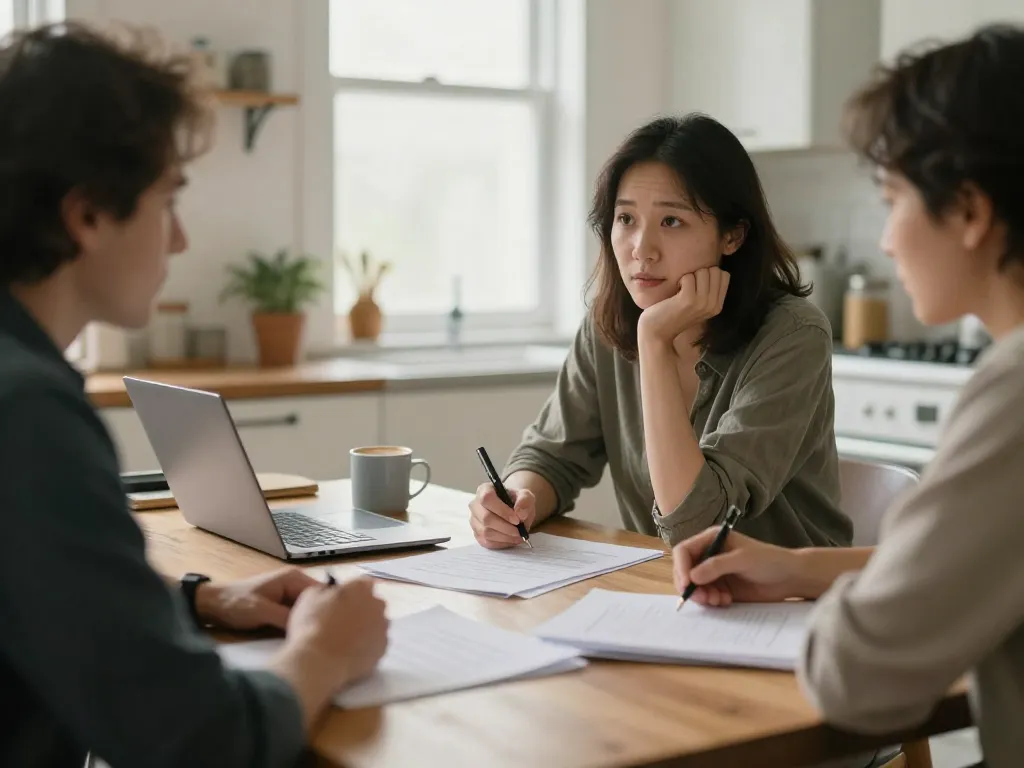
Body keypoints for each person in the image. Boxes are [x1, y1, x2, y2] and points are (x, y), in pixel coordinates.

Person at [0, 22, 389, 768]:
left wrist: (201, 600)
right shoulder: (28, 414)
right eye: (166, 201)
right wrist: (325, 655)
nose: (178, 241)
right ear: (87, 216)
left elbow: (33, 589)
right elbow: (198, 737)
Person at [672, 24, 1024, 768]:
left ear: (968, 211)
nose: (888, 240)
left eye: (892, 198)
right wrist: (798, 568)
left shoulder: (1015, 391)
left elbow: (855, 680)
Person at [470, 114, 852, 551]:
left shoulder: (792, 335)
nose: (641, 250)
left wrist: (652, 340)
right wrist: (517, 500)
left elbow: (697, 525)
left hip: (788, 605)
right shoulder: (607, 325)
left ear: (732, 235)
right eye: (626, 219)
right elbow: (553, 456)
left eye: (671, 221)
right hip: (666, 591)